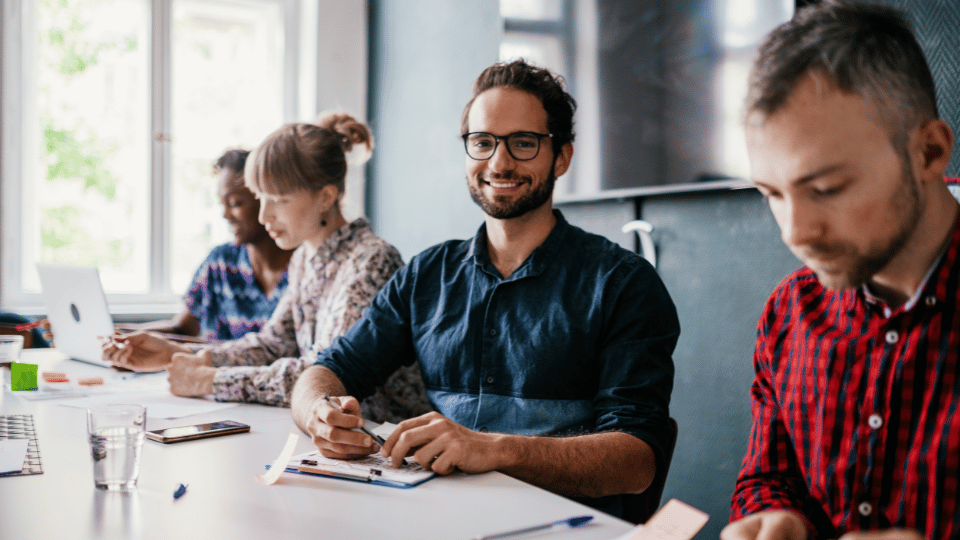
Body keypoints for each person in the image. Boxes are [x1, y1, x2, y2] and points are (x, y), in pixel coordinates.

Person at [291, 60, 679, 518]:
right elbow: (331, 368)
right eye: (482, 142)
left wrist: (494, 449)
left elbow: (637, 462)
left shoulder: (623, 283)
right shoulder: (427, 274)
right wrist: (318, 413)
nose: (499, 162)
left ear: (562, 157)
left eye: (523, 143)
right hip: (437, 518)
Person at [721, 3, 960, 540]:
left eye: (826, 189)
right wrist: (777, 517)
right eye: (772, 194)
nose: (794, 233)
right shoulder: (790, 313)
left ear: (930, 152)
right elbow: (769, 475)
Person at [103, 113, 430, 422]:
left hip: (387, 444)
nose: (264, 217)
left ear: (326, 196)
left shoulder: (371, 261)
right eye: (261, 198)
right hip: (333, 440)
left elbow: (326, 379)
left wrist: (210, 380)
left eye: (279, 199)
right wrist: (181, 354)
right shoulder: (306, 258)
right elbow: (272, 344)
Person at [126, 149, 293, 342]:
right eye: (222, 204)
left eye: (236, 203)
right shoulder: (220, 262)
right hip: (209, 371)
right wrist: (121, 336)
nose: (226, 215)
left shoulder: (305, 268)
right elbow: (182, 328)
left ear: (268, 200)